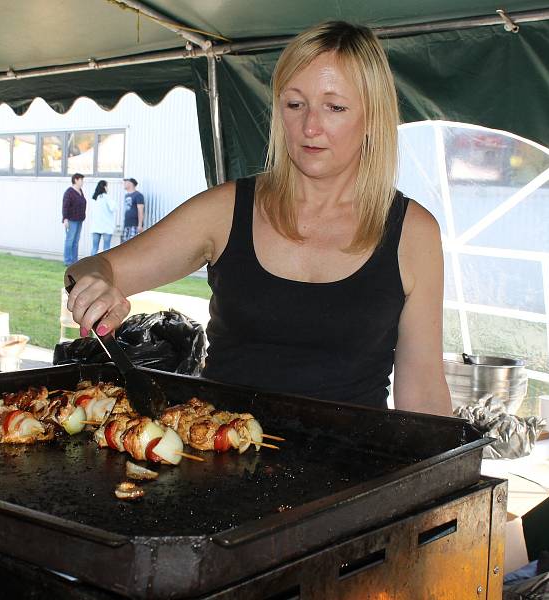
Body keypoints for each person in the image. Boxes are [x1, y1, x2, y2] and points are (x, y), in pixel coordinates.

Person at [65, 21, 451, 416]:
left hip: (358, 471)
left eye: (334, 107)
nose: (310, 126)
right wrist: (97, 285)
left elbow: (422, 392)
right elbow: (91, 269)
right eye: (294, 104)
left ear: (372, 117)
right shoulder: (226, 211)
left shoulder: (413, 233)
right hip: (220, 458)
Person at [62, 173, 86, 266]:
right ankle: (68, 261)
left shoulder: (80, 191)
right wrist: (65, 219)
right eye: (81, 179)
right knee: (70, 240)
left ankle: (74, 261)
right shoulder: (69, 192)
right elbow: (65, 206)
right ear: (76, 180)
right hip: (71, 220)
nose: (82, 182)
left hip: (80, 219)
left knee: (76, 241)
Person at [90, 180, 116, 255]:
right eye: (107, 186)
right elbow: (113, 208)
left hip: (95, 226)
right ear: (104, 187)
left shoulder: (94, 198)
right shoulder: (106, 197)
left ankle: (91, 264)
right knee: (106, 248)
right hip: (106, 226)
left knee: (95, 248)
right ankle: (104, 265)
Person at [121, 177, 144, 242]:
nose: (124, 184)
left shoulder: (138, 195)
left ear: (131, 183)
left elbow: (141, 210)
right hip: (127, 224)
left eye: (126, 182)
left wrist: (140, 225)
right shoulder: (126, 195)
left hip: (134, 224)